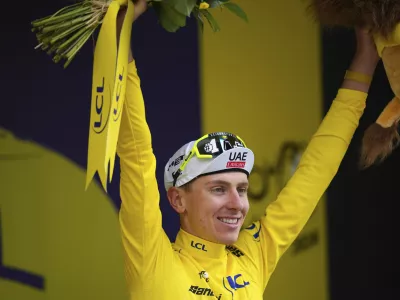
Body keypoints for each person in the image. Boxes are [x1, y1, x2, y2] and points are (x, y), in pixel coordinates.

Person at [116, 1, 380, 299]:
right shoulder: (154, 260)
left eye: (241, 189)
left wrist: (365, 63)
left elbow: (316, 172)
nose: (237, 204)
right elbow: (135, 153)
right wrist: (118, 39)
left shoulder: (252, 252)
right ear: (178, 199)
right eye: (218, 188)